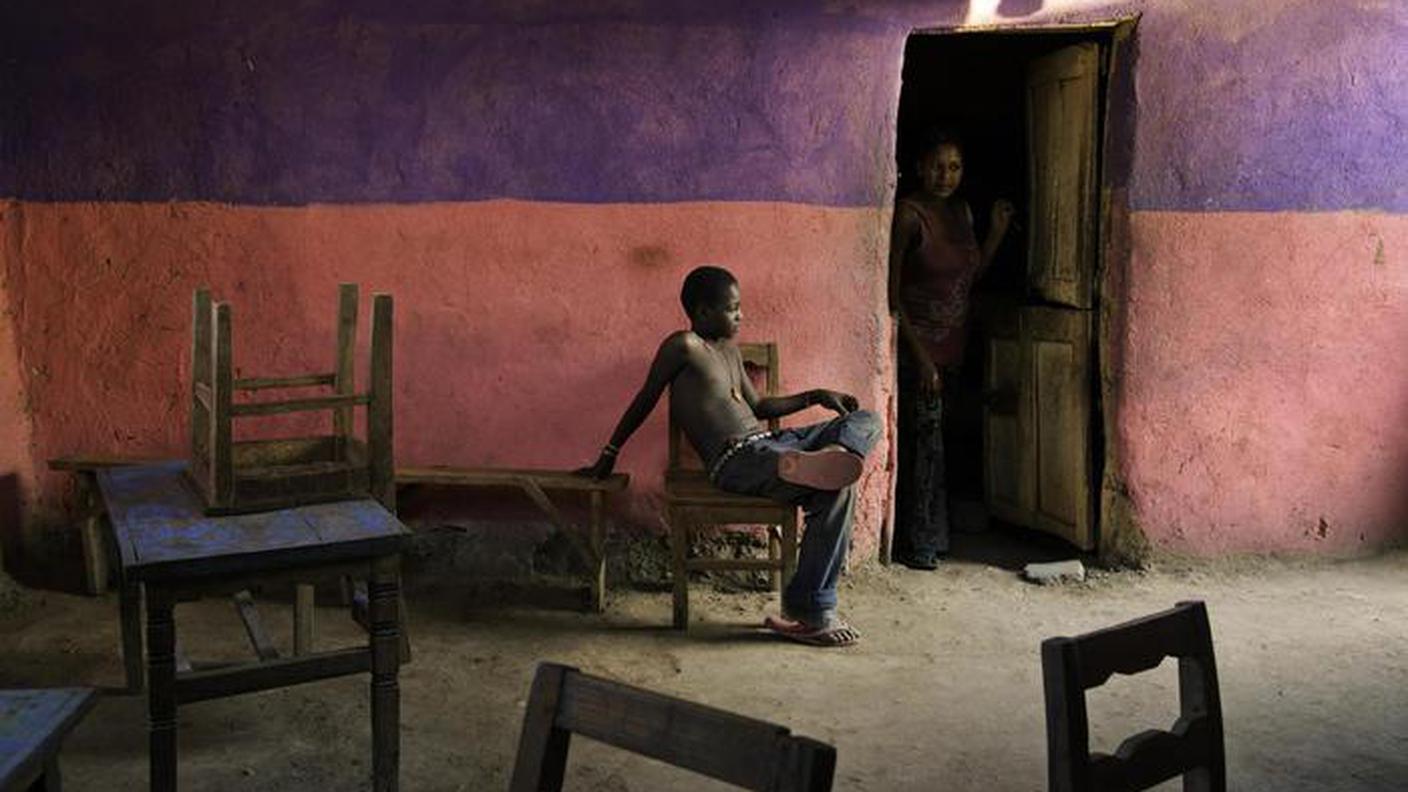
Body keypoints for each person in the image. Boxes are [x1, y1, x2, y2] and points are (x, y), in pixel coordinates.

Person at [579, 265, 882, 647]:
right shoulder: (683, 345)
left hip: (775, 445)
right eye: (732, 308)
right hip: (735, 459)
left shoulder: (730, 351)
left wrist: (817, 395)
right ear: (704, 312)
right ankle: (813, 613)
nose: (741, 315)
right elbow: (646, 398)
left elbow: (760, 406)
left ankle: (835, 452)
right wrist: (610, 452)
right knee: (838, 490)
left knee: (865, 422)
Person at [888, 126, 1014, 570]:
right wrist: (920, 358)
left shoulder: (962, 211)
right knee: (925, 447)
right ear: (920, 167)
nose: (946, 174)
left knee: (946, 442)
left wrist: (996, 232)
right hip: (918, 354)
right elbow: (892, 296)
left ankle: (936, 536)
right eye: (938, 166)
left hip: (955, 349)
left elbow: (969, 278)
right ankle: (918, 541)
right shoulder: (908, 214)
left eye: (955, 167)